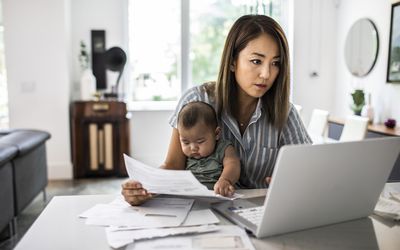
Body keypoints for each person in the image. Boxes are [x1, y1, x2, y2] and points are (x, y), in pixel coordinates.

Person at [122, 14, 311, 206]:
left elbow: (310, 170)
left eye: (275, 63)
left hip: (260, 211)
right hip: (203, 209)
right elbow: (173, 165)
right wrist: (145, 188)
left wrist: (293, 184)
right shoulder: (196, 100)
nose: (266, 74)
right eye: (256, 61)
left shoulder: (284, 111)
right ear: (232, 62)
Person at [177, 101, 240, 196]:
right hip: (191, 195)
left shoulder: (224, 148)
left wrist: (225, 180)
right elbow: (172, 168)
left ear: (216, 134)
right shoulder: (185, 155)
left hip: (218, 194)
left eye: (200, 141)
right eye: (186, 142)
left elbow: (233, 164)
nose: (193, 148)